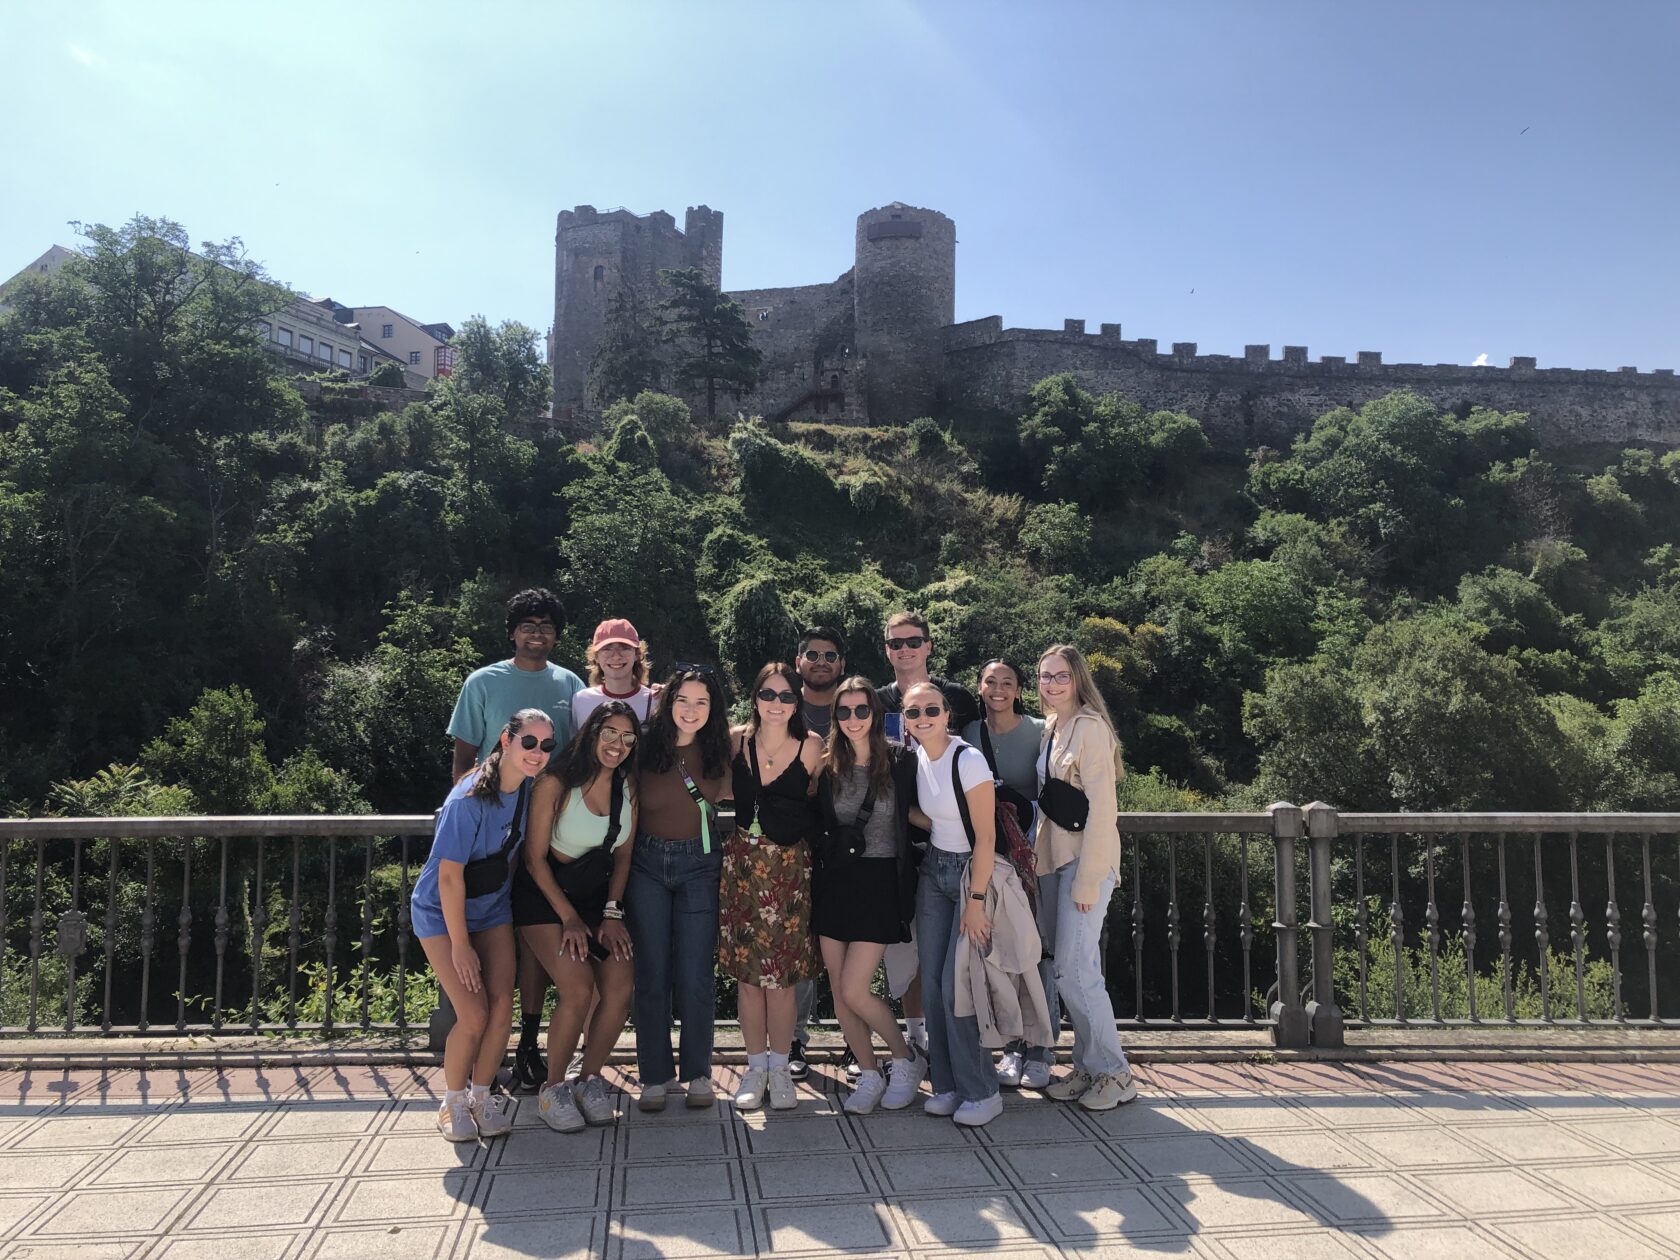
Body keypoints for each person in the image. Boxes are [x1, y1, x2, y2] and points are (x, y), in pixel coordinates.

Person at [446, 587, 586, 1092]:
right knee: (476, 927)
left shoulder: (570, 683)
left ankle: (526, 1042)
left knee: (530, 934)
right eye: (527, 623)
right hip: (488, 823)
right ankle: (473, 1060)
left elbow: (575, 755)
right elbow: (463, 758)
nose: (537, 632)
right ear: (511, 631)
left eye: (546, 624)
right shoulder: (482, 681)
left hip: (547, 824)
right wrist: (462, 814)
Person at [412, 707, 553, 1142]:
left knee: (499, 1013)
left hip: (492, 908)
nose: (537, 752)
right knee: (472, 1015)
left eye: (546, 745)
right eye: (529, 742)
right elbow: (449, 876)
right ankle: (452, 1102)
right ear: (506, 741)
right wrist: (460, 945)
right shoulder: (468, 797)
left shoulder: (528, 791)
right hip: (441, 913)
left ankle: (480, 1095)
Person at [511, 701, 640, 1132]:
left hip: (595, 901)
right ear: (591, 732)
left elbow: (622, 858)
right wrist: (568, 917)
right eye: (609, 733)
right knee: (579, 987)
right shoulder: (555, 782)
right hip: (545, 899)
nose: (617, 745)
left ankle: (589, 1079)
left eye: (627, 737)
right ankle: (553, 1089)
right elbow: (533, 859)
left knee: (621, 983)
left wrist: (611, 913)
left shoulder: (628, 787)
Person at [813, 677, 928, 1113]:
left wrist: (968, 833)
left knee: (855, 989)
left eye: (862, 710)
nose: (853, 719)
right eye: (844, 712)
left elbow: (920, 811)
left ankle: (904, 1058)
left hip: (880, 883)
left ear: (876, 716)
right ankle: (869, 1072)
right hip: (835, 883)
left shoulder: (899, 762)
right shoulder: (827, 766)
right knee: (841, 994)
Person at [1036, 644, 1138, 1111]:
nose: (1051, 684)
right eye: (1044, 676)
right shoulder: (1055, 728)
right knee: (1068, 970)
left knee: (1078, 973)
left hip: (1084, 863)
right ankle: (1088, 1066)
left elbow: (1103, 811)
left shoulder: (1091, 730)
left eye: (1060, 676)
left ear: (1078, 679)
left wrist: (1088, 879)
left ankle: (1116, 1074)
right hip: (1056, 859)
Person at [627, 665, 732, 1113]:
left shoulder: (723, 749)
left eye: (702, 702)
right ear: (667, 702)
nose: (691, 710)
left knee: (694, 973)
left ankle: (698, 1072)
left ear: (714, 709)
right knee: (651, 972)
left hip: (700, 865)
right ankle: (653, 1075)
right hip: (646, 863)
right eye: (683, 700)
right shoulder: (644, 746)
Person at [723, 662, 824, 1112]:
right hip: (741, 864)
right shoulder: (735, 740)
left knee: (781, 980)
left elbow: (819, 805)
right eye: (769, 695)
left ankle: (781, 1067)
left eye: (786, 697)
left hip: (789, 870)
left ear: (796, 703)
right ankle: (755, 1066)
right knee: (749, 977)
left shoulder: (811, 747)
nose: (777, 704)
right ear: (755, 697)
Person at [904, 680, 1004, 1127]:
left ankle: (981, 1090)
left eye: (930, 710)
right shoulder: (918, 758)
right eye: (913, 712)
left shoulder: (969, 760)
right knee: (930, 988)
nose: (922, 718)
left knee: (955, 986)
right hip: (934, 870)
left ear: (947, 714)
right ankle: (945, 1085)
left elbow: (986, 837)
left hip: (969, 873)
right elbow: (932, 817)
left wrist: (977, 900)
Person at [962, 660, 1055, 1091]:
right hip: (990, 860)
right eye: (990, 682)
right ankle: (1013, 1046)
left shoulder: (1041, 731)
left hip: (1034, 859)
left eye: (1007, 683)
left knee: (1037, 955)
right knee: (1001, 956)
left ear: (1019, 689)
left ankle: (1041, 1051)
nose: (998, 689)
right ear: (979, 687)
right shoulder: (969, 734)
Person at [788, 625, 847, 1078]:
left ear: (841, 665)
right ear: (798, 662)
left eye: (830, 655)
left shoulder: (855, 708)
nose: (821, 661)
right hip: (793, 842)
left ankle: (854, 1039)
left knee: (855, 942)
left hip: (849, 843)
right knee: (798, 945)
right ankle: (794, 1040)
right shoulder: (783, 710)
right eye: (813, 654)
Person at [875, 611, 980, 742]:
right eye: (895, 643)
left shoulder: (958, 697)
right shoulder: (875, 702)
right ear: (887, 650)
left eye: (914, 642)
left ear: (928, 647)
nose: (905, 648)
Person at [572, 619, 657, 728]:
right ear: (596, 657)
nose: (616, 656)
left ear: (637, 654)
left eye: (625, 648)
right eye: (607, 649)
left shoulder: (654, 701)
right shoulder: (581, 700)